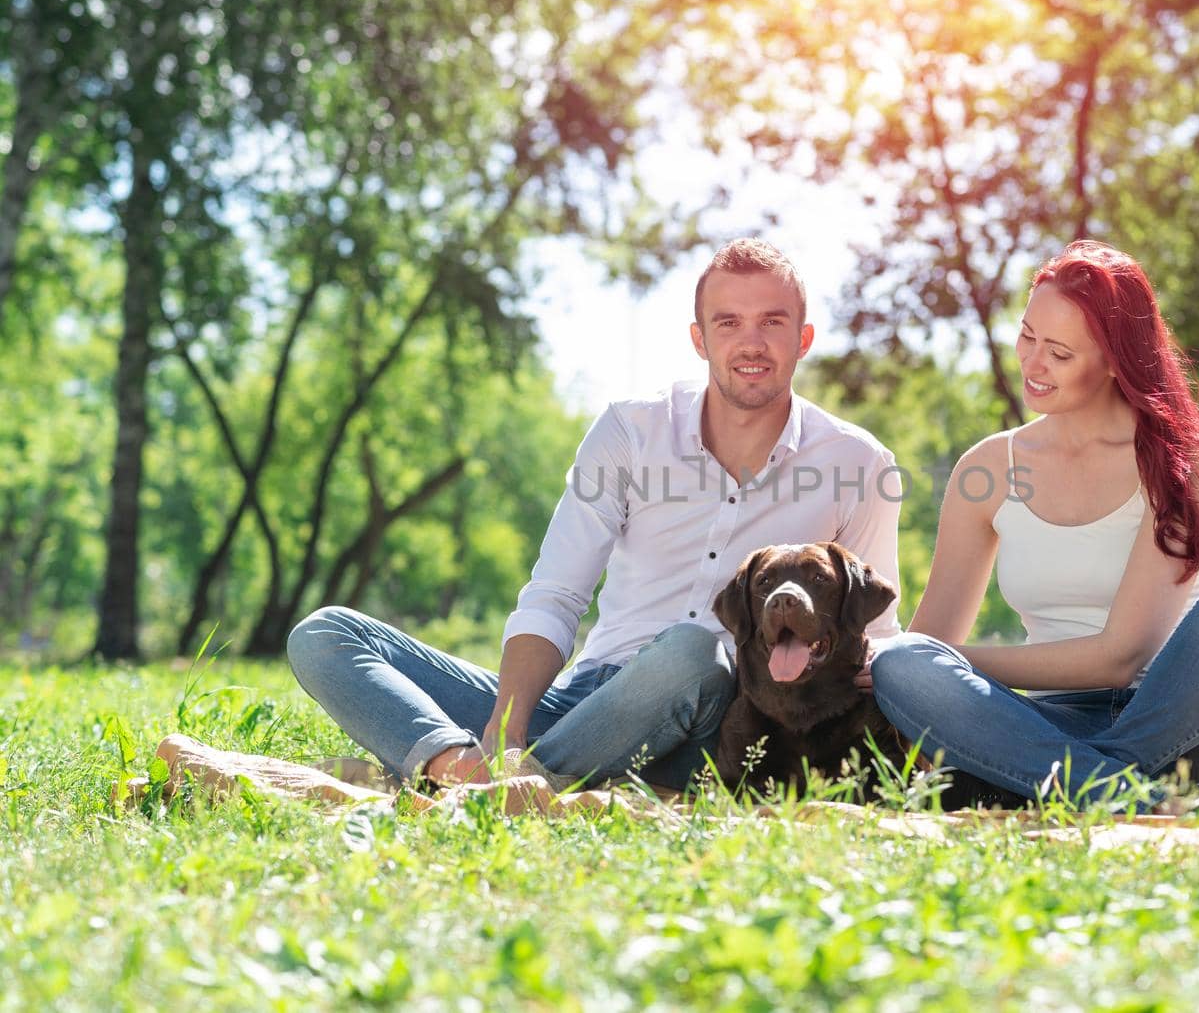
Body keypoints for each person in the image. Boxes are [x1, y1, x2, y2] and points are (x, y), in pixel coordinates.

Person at [287, 239, 902, 791]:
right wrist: (507, 729)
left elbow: (874, 638)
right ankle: (467, 771)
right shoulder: (631, 429)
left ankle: (473, 785)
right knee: (325, 634)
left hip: (711, 717)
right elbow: (555, 594)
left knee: (692, 651)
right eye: (729, 322)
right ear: (700, 338)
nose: (751, 342)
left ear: (803, 338)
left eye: (773, 322)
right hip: (582, 702)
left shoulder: (857, 463)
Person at [863, 240, 1199, 808]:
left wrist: (961, 660)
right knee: (903, 663)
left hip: (1186, 726)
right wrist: (900, 662)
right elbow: (927, 646)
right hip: (1046, 729)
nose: (1032, 363)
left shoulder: (1179, 462)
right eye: (1027, 336)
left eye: (1060, 353)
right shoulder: (987, 470)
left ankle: (1090, 786)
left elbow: (1119, 658)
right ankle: (1137, 797)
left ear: (1114, 360)